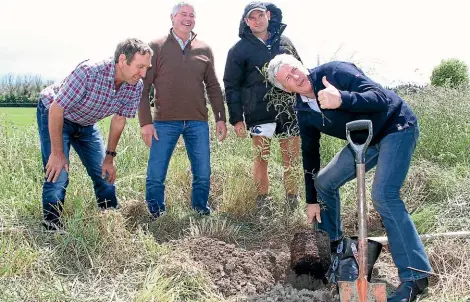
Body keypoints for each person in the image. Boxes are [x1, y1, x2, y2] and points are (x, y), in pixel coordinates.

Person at [266, 54, 431, 301]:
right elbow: (310, 152)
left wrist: (342, 98)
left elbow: (381, 98)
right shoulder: (303, 108)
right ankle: (335, 250)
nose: (296, 77)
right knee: (323, 182)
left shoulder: (334, 72)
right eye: (287, 78)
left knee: (384, 195)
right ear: (285, 89)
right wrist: (312, 200)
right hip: (366, 139)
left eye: (295, 69)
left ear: (302, 65)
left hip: (395, 126)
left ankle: (415, 277)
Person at [37, 38, 153, 230]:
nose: (143, 73)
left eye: (146, 68)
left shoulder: (135, 85)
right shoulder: (90, 72)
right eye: (140, 67)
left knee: (104, 174)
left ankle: (111, 222)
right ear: (123, 60)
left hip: (86, 123)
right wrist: (57, 153)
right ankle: (51, 227)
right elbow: (57, 108)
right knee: (59, 173)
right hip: (56, 113)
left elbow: (119, 120)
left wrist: (109, 157)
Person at [139, 2, 227, 218]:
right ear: (172, 18)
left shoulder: (204, 49)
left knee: (203, 173)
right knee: (156, 173)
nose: (188, 18)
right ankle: (155, 213)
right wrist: (146, 123)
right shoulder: (156, 46)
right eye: (183, 14)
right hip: (164, 122)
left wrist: (220, 118)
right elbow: (144, 88)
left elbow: (213, 86)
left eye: (192, 15)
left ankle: (199, 211)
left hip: (197, 121)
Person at [223, 1, 301, 211]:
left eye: (260, 16)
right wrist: (236, 118)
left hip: (288, 110)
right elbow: (231, 85)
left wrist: (305, 103)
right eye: (252, 18)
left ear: (268, 15)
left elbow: (301, 73)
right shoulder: (238, 50)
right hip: (258, 111)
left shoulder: (285, 42)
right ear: (246, 22)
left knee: (291, 159)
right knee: (261, 159)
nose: (257, 21)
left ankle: (292, 201)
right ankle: (263, 204)